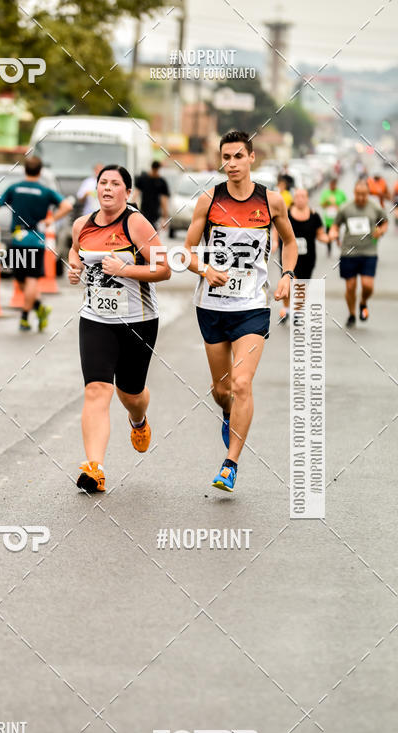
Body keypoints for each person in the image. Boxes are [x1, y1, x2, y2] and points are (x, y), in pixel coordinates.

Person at [184, 130, 296, 493]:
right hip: (212, 307)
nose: (230, 164)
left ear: (251, 158)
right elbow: (186, 251)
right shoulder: (208, 201)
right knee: (222, 390)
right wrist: (204, 269)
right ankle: (227, 411)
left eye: (237, 157)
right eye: (225, 158)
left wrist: (288, 275)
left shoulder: (272, 201)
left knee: (242, 383)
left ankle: (230, 464)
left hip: (251, 307)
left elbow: (290, 243)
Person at [68, 165, 171, 493]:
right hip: (96, 320)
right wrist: (74, 268)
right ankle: (94, 468)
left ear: (128, 192)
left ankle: (138, 420)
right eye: (103, 183)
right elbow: (76, 253)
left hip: (138, 321)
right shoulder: (81, 225)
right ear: (95, 189)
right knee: (96, 390)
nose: (108, 188)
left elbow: (164, 268)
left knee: (131, 394)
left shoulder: (135, 223)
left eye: (115, 184)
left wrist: (126, 269)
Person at [0, 156, 72, 332]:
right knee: (31, 279)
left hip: (18, 240)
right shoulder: (45, 191)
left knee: (20, 279)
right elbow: (67, 206)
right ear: (40, 171)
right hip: (36, 241)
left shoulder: (14, 188)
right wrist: (51, 221)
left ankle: (25, 317)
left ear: (25, 169)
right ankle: (39, 307)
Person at [329, 180, 388, 327]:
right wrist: (333, 232)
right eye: (358, 194)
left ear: (368, 194)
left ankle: (363, 302)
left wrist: (381, 230)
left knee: (368, 286)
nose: (361, 198)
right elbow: (336, 224)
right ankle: (352, 314)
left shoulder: (374, 208)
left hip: (369, 252)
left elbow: (385, 221)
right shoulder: (345, 208)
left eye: (364, 195)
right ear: (354, 193)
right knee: (350, 286)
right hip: (349, 253)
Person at [272, 188, 329, 323]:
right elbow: (276, 228)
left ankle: (297, 310)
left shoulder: (314, 216)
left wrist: (329, 238)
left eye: (303, 196)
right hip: (288, 256)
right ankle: (286, 308)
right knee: (290, 281)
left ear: (307, 198)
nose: (300, 199)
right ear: (294, 199)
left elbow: (320, 234)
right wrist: (274, 241)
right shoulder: (287, 214)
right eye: (297, 196)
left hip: (307, 257)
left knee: (302, 285)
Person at [133, 161, 170, 229]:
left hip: (154, 213)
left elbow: (164, 200)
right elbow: (135, 195)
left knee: (151, 231)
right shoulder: (143, 179)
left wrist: (165, 217)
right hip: (145, 211)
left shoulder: (161, 181)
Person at [319, 177, 346, 255]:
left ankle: (339, 245)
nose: (332, 186)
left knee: (337, 233)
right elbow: (322, 205)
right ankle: (329, 249)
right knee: (328, 234)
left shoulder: (340, 193)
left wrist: (337, 206)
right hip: (328, 218)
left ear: (335, 185)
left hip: (337, 218)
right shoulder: (326, 193)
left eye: (333, 185)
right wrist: (327, 202)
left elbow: (345, 203)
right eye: (331, 185)